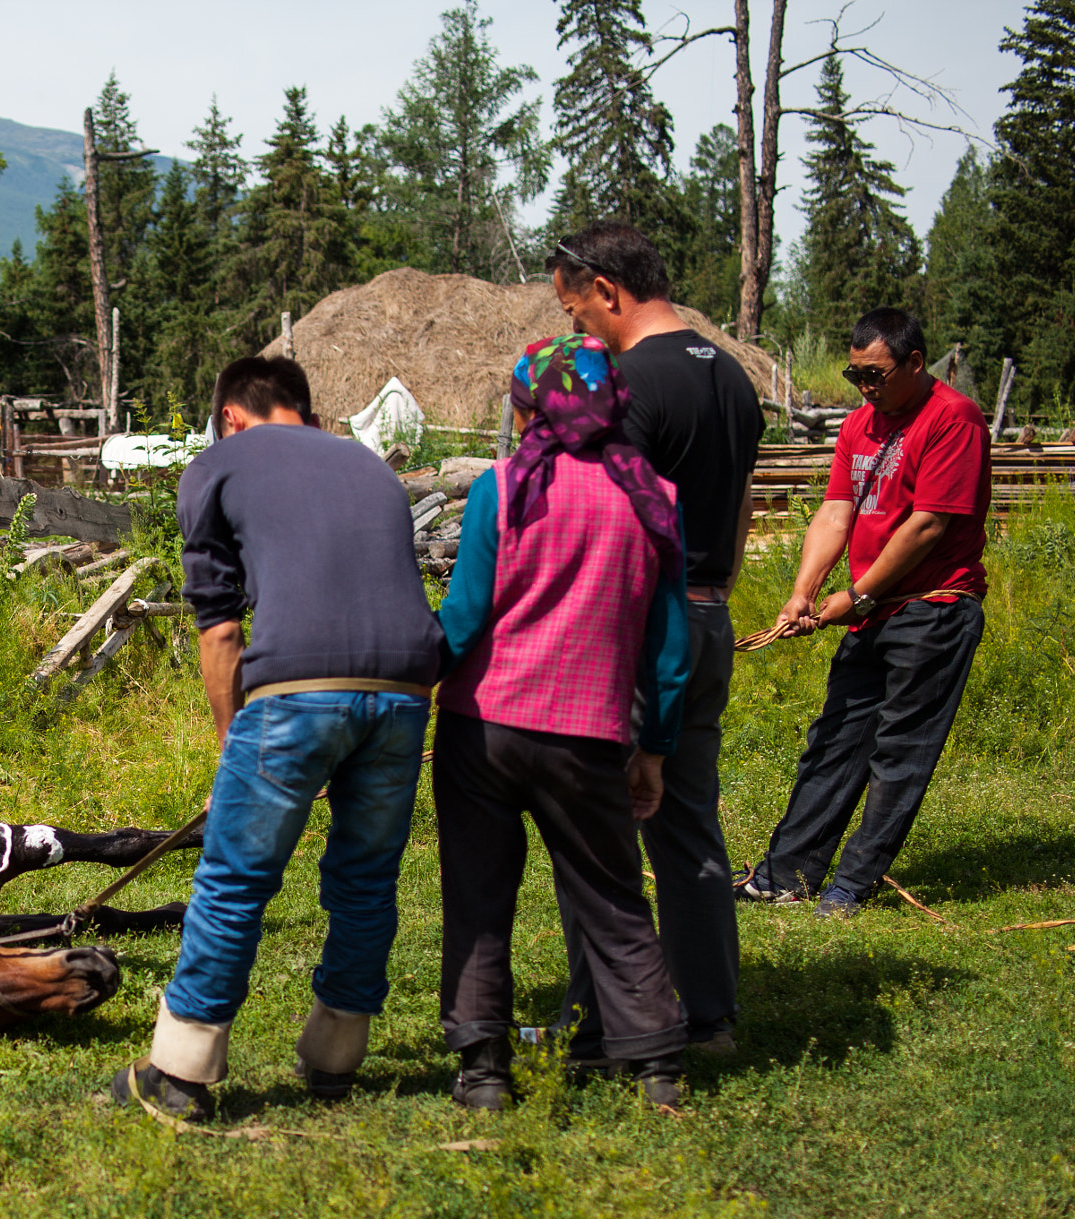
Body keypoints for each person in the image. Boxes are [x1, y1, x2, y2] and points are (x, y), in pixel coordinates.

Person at [112, 355, 443, 1122]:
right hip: (403, 688)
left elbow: (220, 626)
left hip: (295, 686)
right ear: (305, 408)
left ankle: (181, 1070)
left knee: (235, 877)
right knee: (366, 879)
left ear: (230, 413)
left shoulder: (218, 466)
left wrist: (233, 743)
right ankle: (336, 1051)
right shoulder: (371, 468)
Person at [433, 334, 692, 1110]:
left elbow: (464, 617)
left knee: (478, 894)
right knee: (610, 894)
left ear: (533, 405)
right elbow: (669, 647)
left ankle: (483, 1070)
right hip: (590, 733)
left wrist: (409, 682)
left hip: (485, 726)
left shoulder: (503, 489)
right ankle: (657, 1068)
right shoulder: (655, 498)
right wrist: (654, 748)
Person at [547, 221, 765, 1054]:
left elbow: (619, 523)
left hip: (641, 626)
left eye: (578, 311)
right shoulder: (732, 377)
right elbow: (740, 502)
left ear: (606, 288)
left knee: (596, 831)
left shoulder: (628, 384)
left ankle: (601, 1021)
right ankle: (710, 1016)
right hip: (709, 614)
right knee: (688, 822)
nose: (580, 331)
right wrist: (714, 590)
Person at [739, 307, 991, 915]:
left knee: (900, 752)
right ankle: (785, 877)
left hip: (934, 608)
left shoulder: (952, 419)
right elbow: (834, 514)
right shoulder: (859, 426)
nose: (865, 387)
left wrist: (856, 597)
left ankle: (851, 884)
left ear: (914, 363)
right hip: (873, 611)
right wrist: (804, 590)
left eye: (875, 374)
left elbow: (927, 525)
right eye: (855, 376)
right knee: (835, 741)